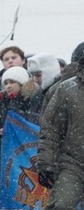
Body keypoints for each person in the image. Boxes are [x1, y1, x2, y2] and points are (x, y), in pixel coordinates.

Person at [0, 66, 39, 207]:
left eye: (12, 82)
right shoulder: (1, 103)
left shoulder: (33, 100)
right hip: (3, 155)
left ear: (22, 83)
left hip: (25, 156)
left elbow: (34, 125)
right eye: (6, 83)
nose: (8, 86)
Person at [37, 53, 84, 209]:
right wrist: (46, 164)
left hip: (73, 162)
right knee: (62, 205)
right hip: (73, 164)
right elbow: (51, 130)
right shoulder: (67, 89)